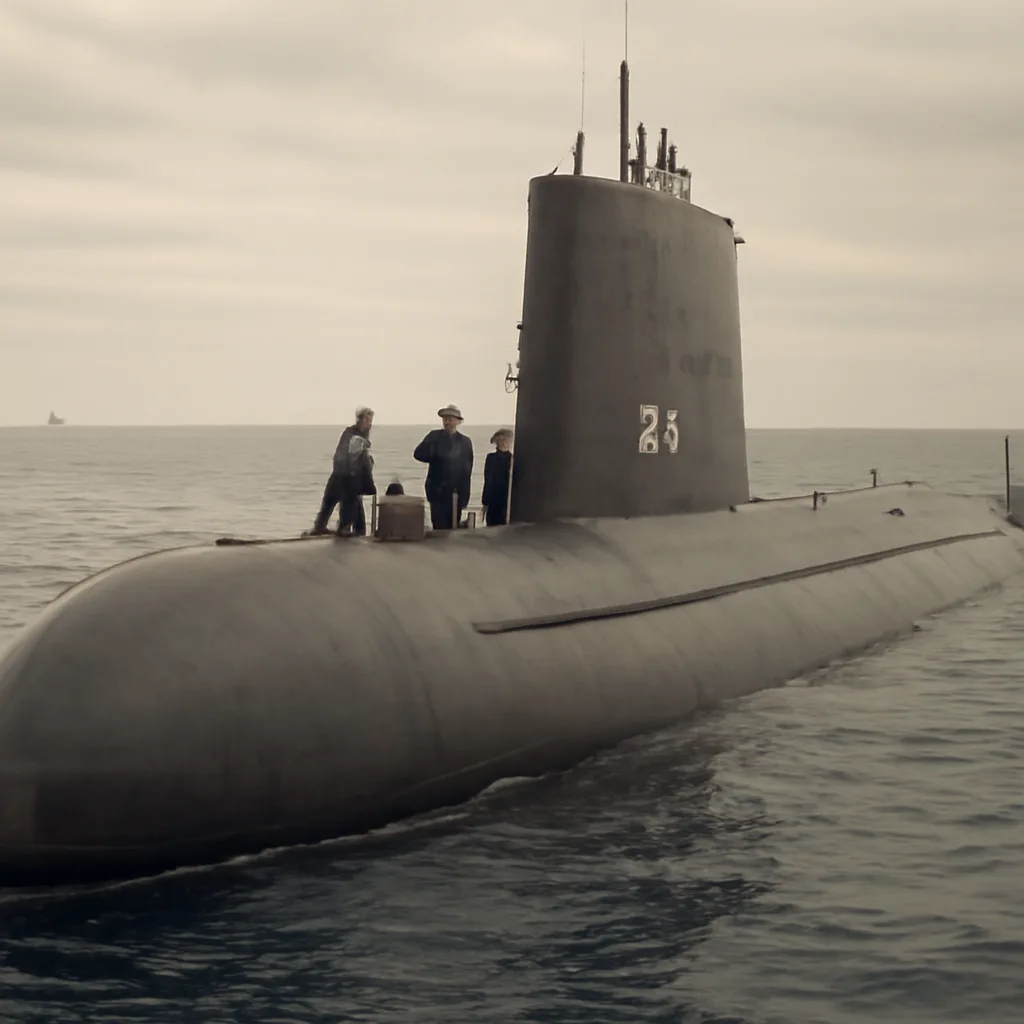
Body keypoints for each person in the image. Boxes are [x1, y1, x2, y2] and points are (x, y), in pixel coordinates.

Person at [309, 406, 376, 536]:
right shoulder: (352, 434)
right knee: (338, 501)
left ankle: (347, 528)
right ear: (360, 420)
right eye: (368, 420)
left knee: (346, 502)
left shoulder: (358, 434)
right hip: (345, 474)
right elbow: (352, 454)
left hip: (347, 473)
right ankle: (335, 527)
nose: (370, 424)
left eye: (370, 420)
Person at [413, 405, 474, 530]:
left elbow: (467, 471)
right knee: (439, 527)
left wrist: (465, 496)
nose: (447, 422)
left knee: (453, 527)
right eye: (445, 419)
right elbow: (418, 454)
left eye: (451, 419)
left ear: (458, 421)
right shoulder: (434, 436)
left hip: (455, 492)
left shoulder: (465, 442)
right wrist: (434, 453)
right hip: (437, 490)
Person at [482, 427, 513, 526]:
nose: (502, 443)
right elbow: (487, 480)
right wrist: (485, 502)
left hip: (507, 499)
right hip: (493, 499)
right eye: (500, 440)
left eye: (505, 440)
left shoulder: (513, 459)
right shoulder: (491, 458)